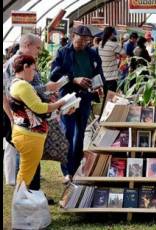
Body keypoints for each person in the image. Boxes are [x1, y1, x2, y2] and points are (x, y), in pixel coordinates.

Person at [3, 34, 61, 199]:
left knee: (30, 159)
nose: (40, 52)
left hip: (30, 120)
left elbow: (31, 90)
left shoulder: (25, 62)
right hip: (23, 120)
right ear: (27, 45)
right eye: (38, 48)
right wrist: (12, 118)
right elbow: (12, 93)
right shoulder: (16, 65)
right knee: (26, 160)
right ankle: (26, 194)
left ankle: (32, 193)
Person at [50, 25, 105, 184]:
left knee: (80, 134)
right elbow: (54, 74)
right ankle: (67, 171)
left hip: (85, 97)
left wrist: (98, 86)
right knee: (68, 133)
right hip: (68, 97)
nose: (82, 44)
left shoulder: (92, 53)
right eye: (80, 41)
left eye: (86, 41)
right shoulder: (63, 52)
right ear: (73, 36)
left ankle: (74, 170)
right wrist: (74, 79)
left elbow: (98, 72)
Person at [9, 55, 67, 189]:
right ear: (25, 67)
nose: (35, 73)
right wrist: (60, 103)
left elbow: (36, 110)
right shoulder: (23, 85)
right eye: (34, 69)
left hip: (26, 134)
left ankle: (21, 200)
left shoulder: (17, 84)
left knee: (26, 172)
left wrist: (56, 108)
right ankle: (20, 203)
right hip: (29, 136)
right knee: (26, 174)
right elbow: (39, 108)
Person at [99, 26, 121, 92]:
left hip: (103, 76)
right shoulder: (113, 45)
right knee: (110, 99)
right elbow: (124, 54)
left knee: (104, 98)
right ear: (111, 34)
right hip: (111, 77)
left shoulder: (100, 43)